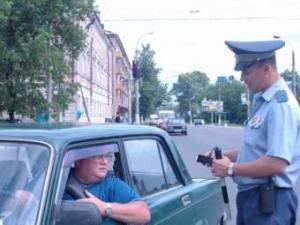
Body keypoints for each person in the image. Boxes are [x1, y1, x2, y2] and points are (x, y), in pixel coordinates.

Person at [210, 39, 300, 225]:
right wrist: (226, 156)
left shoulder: (280, 105)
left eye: (247, 71)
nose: (242, 78)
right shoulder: (264, 101)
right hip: (256, 199)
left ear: (266, 68)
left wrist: (230, 168)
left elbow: (276, 162)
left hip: (270, 202)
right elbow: (259, 149)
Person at [63, 152, 151, 224]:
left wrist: (104, 208)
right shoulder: (59, 177)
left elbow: (144, 213)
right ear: (78, 160)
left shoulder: (112, 184)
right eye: (98, 156)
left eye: (107, 156)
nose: (104, 162)